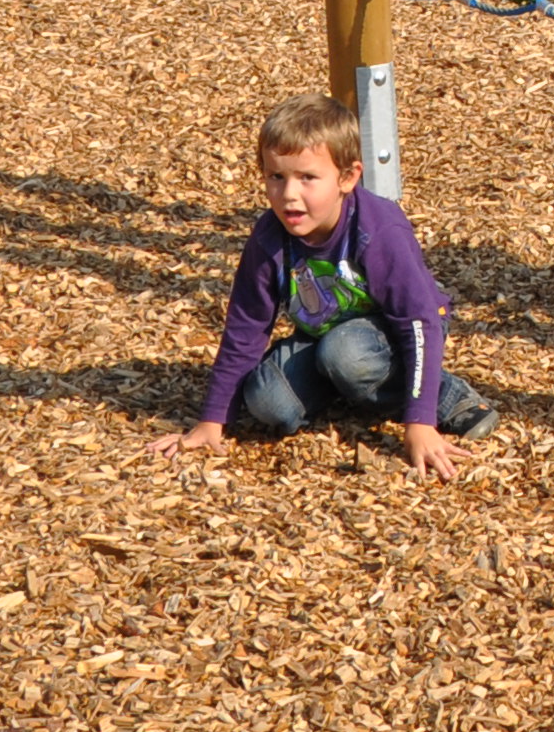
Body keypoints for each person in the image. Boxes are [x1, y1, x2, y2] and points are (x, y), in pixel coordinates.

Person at [155, 97, 499, 472]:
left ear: (347, 178)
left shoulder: (378, 231)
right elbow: (246, 326)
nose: (289, 193)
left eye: (307, 178)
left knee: (347, 352)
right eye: (276, 176)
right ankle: (349, 387)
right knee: (267, 402)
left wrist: (420, 423)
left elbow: (418, 323)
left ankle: (447, 396)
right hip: (323, 336)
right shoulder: (269, 238)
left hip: (397, 333)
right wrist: (212, 420)